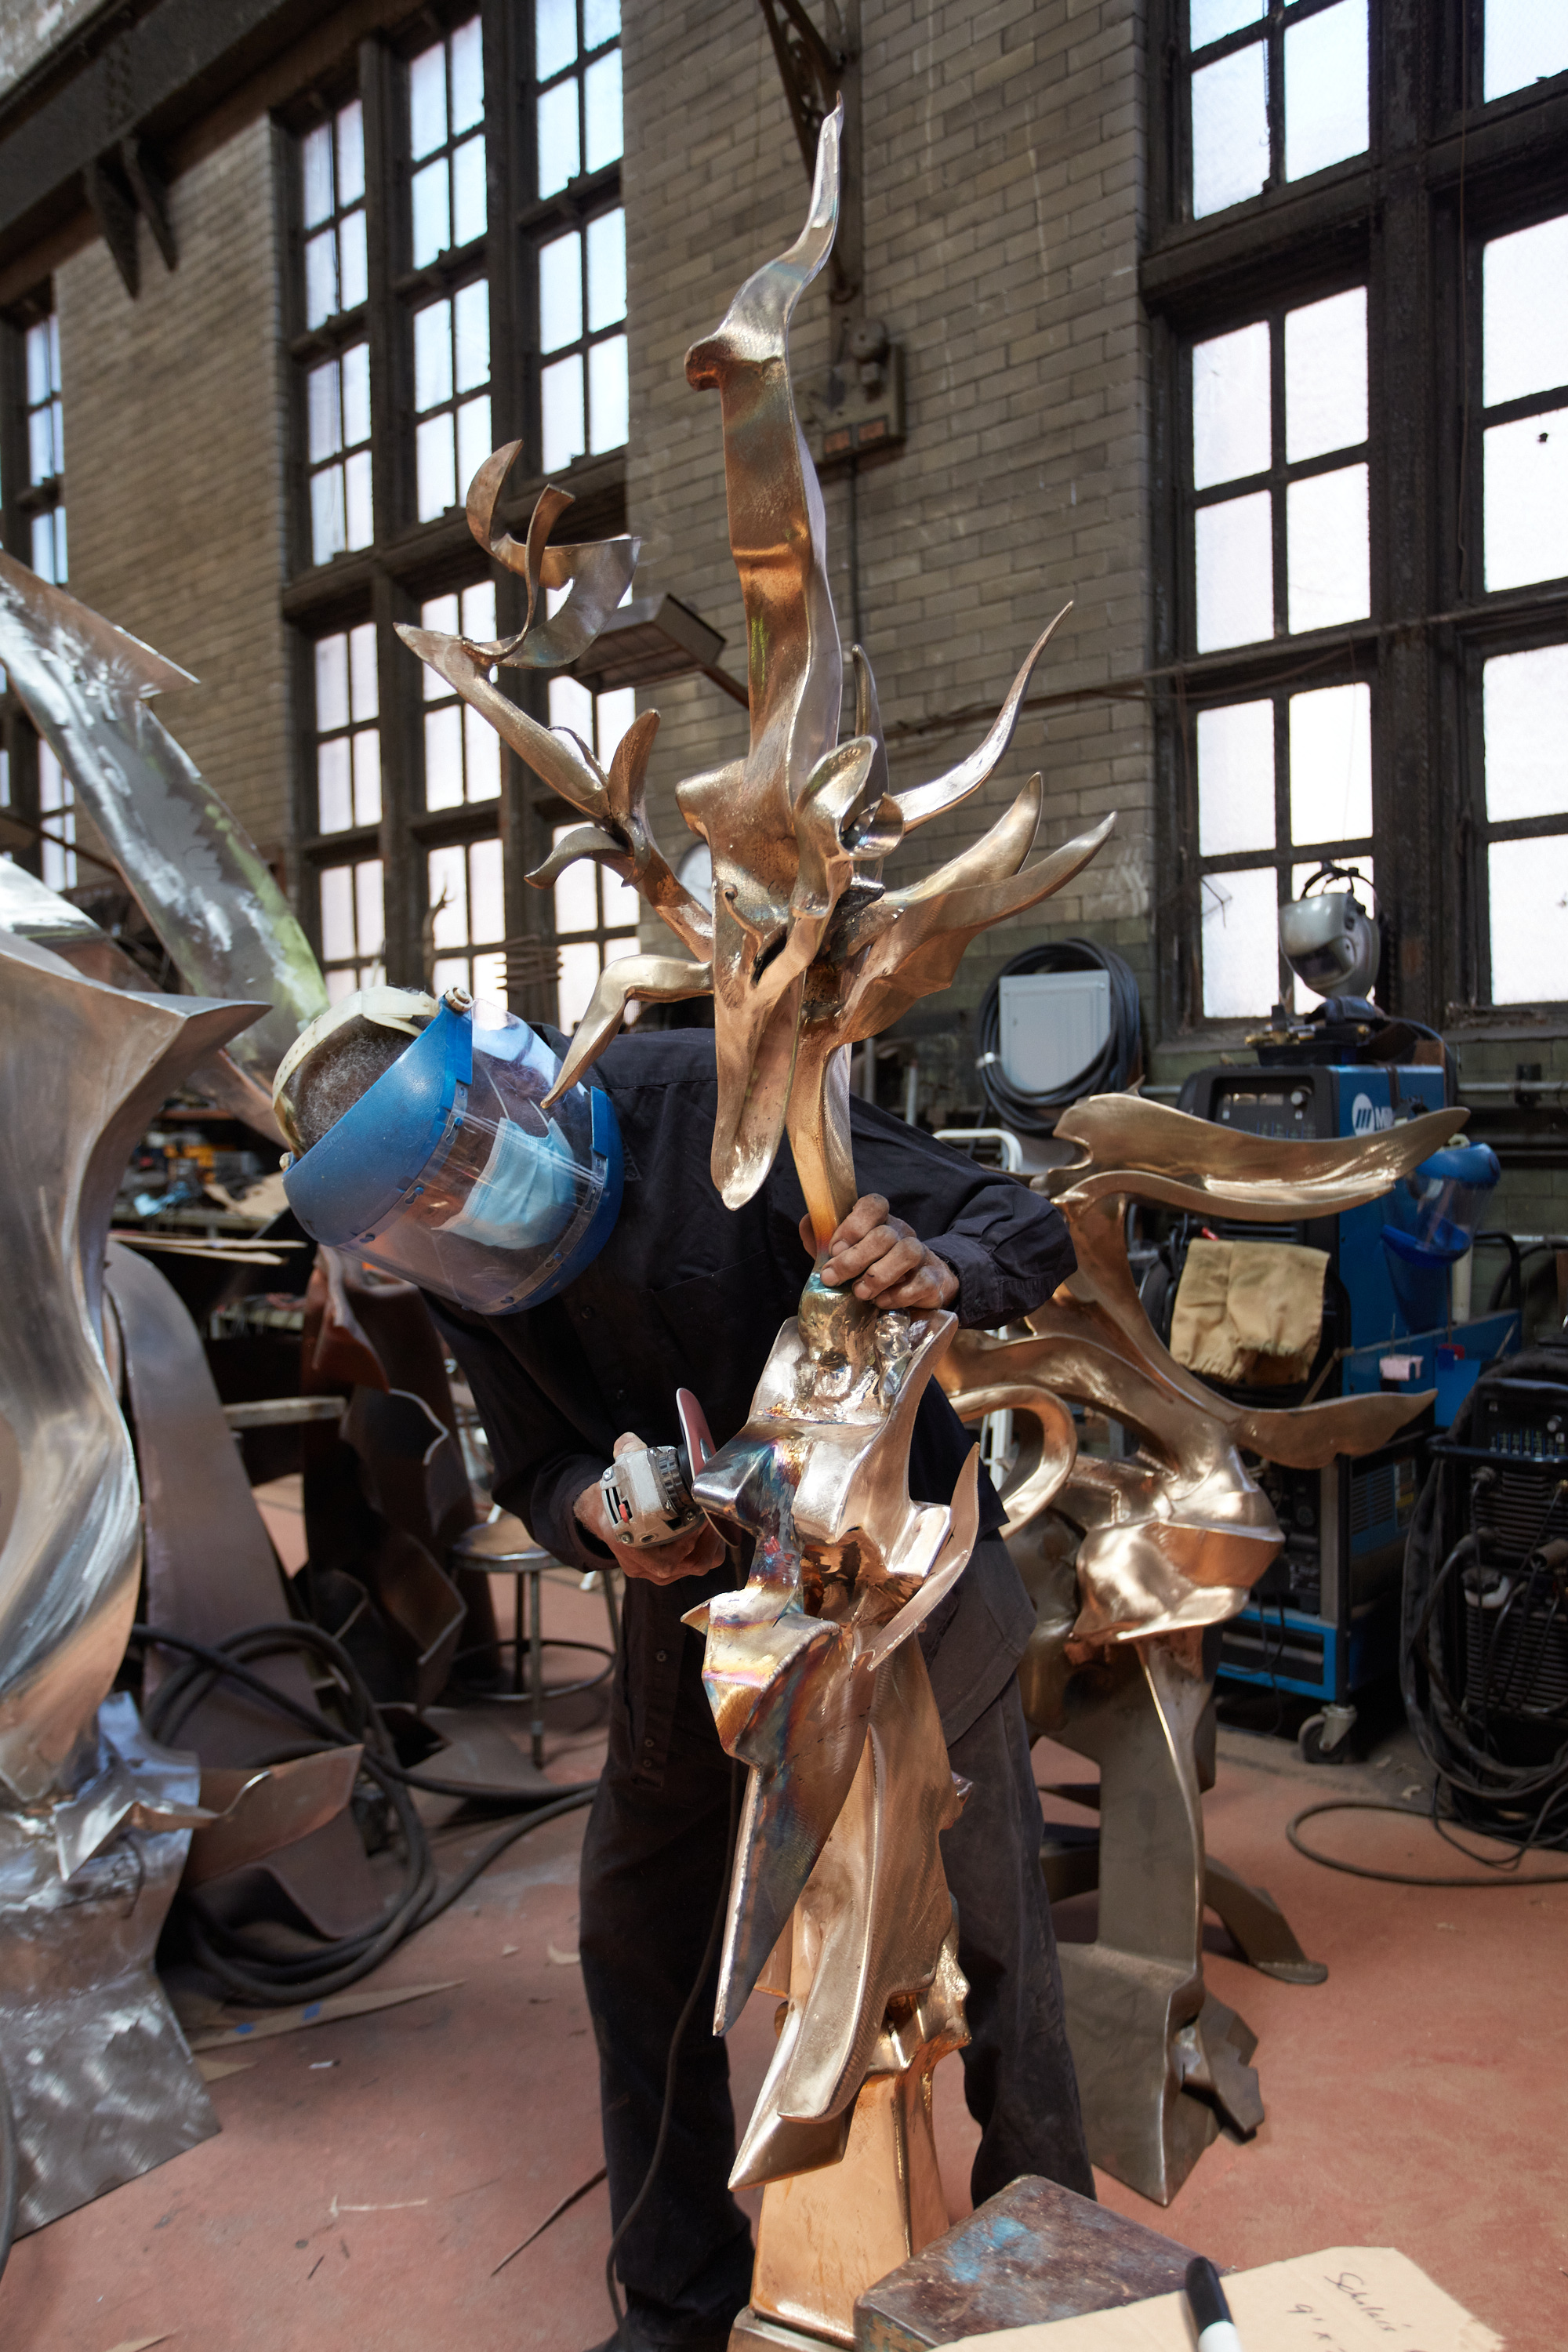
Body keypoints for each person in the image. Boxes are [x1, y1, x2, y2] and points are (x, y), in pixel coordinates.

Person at [275, 987, 1093, 2352]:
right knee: (637, 1933)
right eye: (432, 1218)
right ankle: (677, 2300)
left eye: (473, 1171)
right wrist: (594, 1511)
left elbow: (1021, 1219)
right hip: (705, 1609)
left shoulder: (711, 1100)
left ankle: (1050, 2262)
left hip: (907, 1579)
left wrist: (940, 1271)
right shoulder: (453, 1252)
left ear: (512, 1090)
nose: (473, 1213)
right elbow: (533, 1466)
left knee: (992, 1921)